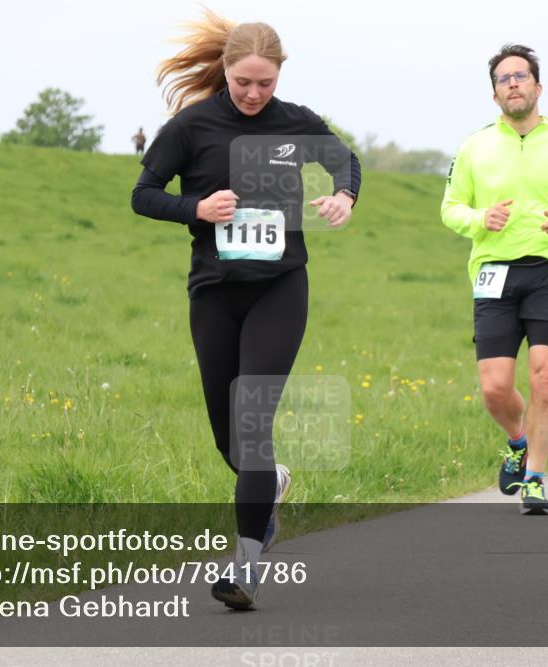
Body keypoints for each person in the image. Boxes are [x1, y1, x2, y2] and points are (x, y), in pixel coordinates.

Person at [130, 9, 360, 609]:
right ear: (225, 72)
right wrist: (197, 209)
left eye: (266, 82)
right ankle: (274, 483)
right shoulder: (192, 126)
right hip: (214, 292)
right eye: (243, 83)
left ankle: (245, 566)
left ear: (279, 75)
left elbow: (345, 160)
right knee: (229, 439)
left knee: (253, 420)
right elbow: (143, 195)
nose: (255, 94)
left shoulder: (296, 122)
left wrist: (344, 195)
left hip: (280, 287)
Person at [441, 44, 548, 515]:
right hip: (493, 272)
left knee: (544, 380)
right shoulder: (473, 146)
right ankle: (517, 441)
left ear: (538, 86)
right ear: (494, 93)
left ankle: (535, 477)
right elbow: (450, 208)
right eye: (503, 78)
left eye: (520, 76)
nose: (512, 83)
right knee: (495, 388)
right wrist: (480, 219)